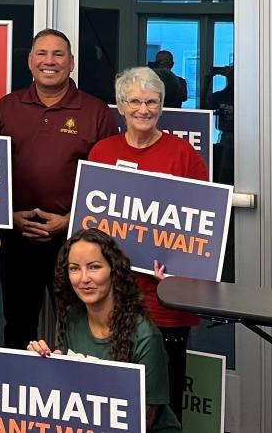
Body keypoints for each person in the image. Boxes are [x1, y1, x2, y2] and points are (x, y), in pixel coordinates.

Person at [89, 66, 207, 419]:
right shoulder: (102, 152)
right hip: (112, 292)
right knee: (111, 392)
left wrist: (183, 270)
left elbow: (203, 225)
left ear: (161, 105)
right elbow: (91, 223)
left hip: (164, 295)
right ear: (122, 106)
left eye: (152, 102)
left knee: (164, 395)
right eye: (136, 101)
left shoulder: (183, 154)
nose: (144, 109)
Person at [0, 28, 118, 350]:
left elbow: (109, 183)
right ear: (30, 62)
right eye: (42, 54)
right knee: (18, 323)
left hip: (74, 243)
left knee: (81, 323)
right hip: (17, 239)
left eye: (58, 54)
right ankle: (18, 393)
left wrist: (69, 220)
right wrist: (10, 216)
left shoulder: (96, 112)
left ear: (72, 63)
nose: (50, 61)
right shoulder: (7, 107)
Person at [29, 228, 181, 433]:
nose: (83, 278)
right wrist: (42, 366)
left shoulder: (146, 336)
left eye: (94, 267)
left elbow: (143, 422)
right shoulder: (69, 317)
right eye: (74, 268)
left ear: (113, 270)